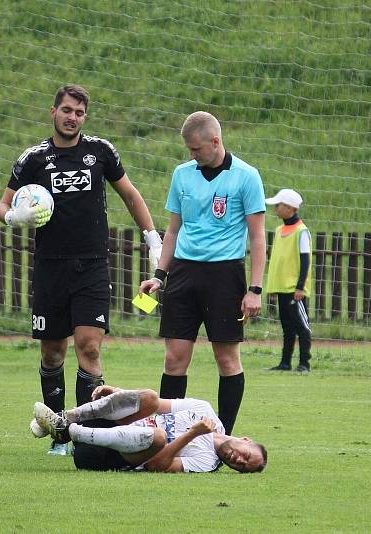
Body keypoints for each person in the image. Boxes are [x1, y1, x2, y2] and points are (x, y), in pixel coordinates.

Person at [0, 84, 163, 456]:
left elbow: (131, 195)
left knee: (89, 347)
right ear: (52, 111)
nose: (73, 117)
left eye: (79, 112)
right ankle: (57, 431)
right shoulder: (33, 159)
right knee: (52, 354)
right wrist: (13, 216)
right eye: (67, 110)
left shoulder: (100, 152)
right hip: (50, 269)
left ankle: (84, 432)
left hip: (92, 267)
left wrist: (152, 237)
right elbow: (2, 204)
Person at [139, 111, 266, 436]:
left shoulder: (247, 176)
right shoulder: (182, 175)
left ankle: (222, 438)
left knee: (227, 359)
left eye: (196, 149)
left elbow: (257, 237)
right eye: (188, 150)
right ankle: (167, 436)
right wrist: (159, 275)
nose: (191, 155)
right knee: (174, 359)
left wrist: (255, 289)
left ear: (215, 141)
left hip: (225, 276)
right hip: (183, 274)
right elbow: (173, 230)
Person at [32, 385, 268, 473]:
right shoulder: (204, 409)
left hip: (105, 455)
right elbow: (155, 404)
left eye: (241, 466)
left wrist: (191, 434)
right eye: (245, 455)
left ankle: (68, 432)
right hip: (107, 425)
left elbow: (156, 466)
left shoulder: (207, 463)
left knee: (159, 437)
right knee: (152, 397)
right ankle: (66, 418)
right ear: (245, 440)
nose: (237, 459)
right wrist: (119, 393)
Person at [264, 188, 313, 372]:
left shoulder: (302, 231)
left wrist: (300, 287)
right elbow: (277, 261)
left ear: (291, 208)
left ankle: (304, 363)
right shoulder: (278, 230)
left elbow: (305, 260)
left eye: (279, 205)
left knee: (302, 326)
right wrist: (271, 287)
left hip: (294, 289)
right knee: (287, 328)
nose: (275, 208)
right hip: (281, 288)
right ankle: (285, 363)